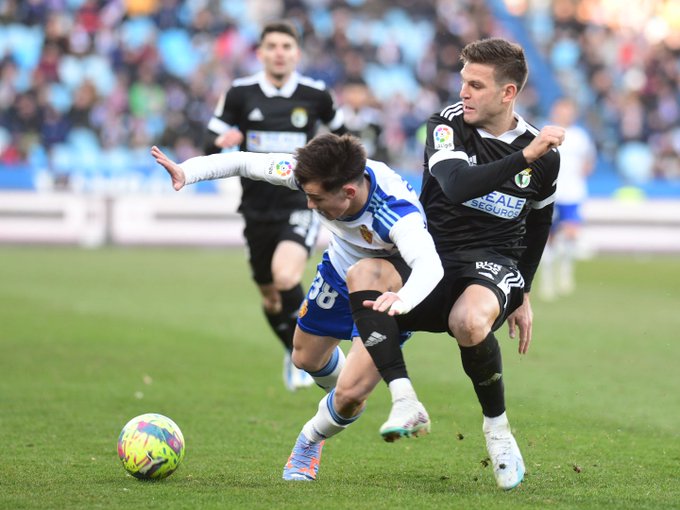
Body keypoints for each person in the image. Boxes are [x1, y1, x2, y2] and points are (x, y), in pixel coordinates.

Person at [279, 37, 565, 491]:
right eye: (463, 81)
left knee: (469, 321)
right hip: (427, 258)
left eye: (476, 85)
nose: (464, 92)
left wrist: (522, 290)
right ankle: (312, 439)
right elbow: (455, 184)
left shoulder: (544, 155)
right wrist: (525, 157)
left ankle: (498, 432)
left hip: (490, 265)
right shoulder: (447, 125)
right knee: (350, 384)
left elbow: (540, 222)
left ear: (508, 92)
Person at [150, 132, 444, 471]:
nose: (309, 205)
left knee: (349, 396)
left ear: (349, 192)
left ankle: (310, 440)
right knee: (304, 358)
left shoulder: (395, 214)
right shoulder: (310, 173)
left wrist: (403, 300)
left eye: (316, 198)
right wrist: (187, 172)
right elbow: (245, 162)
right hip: (339, 272)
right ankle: (349, 389)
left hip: (387, 289)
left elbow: (431, 265)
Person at [203, 21, 347, 392]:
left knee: (286, 277)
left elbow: (346, 138)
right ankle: (293, 349)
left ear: (297, 53)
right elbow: (209, 144)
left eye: (286, 46)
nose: (279, 53)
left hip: (300, 202)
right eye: (272, 46)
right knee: (271, 298)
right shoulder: (240, 93)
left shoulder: (316, 94)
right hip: (255, 209)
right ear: (261, 53)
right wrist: (222, 141)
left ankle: (317, 355)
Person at [539, 97, 596, 300]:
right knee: (549, 237)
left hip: (573, 193)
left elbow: (589, 161)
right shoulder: (544, 131)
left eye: (569, 110)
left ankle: (565, 273)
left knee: (571, 233)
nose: (565, 114)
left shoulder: (580, 136)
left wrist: (582, 173)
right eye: (562, 110)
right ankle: (547, 279)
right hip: (550, 193)